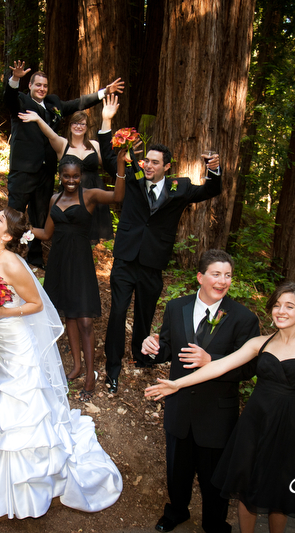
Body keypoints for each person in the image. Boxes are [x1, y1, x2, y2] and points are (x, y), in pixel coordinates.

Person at [145, 276, 295, 533]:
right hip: (253, 424)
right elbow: (219, 366)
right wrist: (178, 384)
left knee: (278, 490)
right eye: (277, 305)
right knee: (246, 486)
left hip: (287, 428)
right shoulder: (259, 344)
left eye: (289, 306)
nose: (281, 311)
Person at [0, 207, 123, 519]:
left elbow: (36, 304)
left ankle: (26, 484)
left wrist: (1, 312)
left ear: (9, 235)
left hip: (15, 343)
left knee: (19, 406)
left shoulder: (12, 264)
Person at [140, 250, 260, 533]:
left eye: (228, 275)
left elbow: (249, 368)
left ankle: (215, 523)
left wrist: (212, 360)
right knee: (177, 470)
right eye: (216, 274)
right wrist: (152, 348)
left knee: (214, 477)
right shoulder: (176, 307)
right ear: (200, 277)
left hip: (216, 413)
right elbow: (168, 348)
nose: (223, 281)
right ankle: (177, 511)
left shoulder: (244, 318)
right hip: (179, 405)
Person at [103, 144, 221, 394]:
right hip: (125, 260)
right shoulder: (133, 176)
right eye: (146, 160)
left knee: (144, 315)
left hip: (153, 263)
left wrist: (214, 169)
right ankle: (112, 369)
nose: (148, 165)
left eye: (155, 162)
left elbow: (212, 189)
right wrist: (112, 134)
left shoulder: (180, 188)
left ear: (167, 167)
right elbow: (109, 159)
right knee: (117, 313)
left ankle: (140, 356)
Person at [4, 60, 124, 267]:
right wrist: (15, 78)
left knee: (40, 213)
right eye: (37, 85)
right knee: (15, 210)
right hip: (24, 169)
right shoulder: (20, 101)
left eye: (45, 86)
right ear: (30, 86)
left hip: (47, 170)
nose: (42, 89)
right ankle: (7, 250)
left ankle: (34, 257)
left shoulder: (54, 104)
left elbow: (79, 103)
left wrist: (105, 92)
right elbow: (9, 98)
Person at [31, 155, 126, 399]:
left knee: (84, 320)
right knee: (68, 315)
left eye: (75, 176)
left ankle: (91, 375)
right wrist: (24, 228)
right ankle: (77, 366)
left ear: (80, 175)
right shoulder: (55, 198)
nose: (71, 180)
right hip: (59, 263)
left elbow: (117, 197)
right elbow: (47, 233)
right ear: (60, 176)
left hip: (81, 263)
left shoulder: (90, 195)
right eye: (66, 176)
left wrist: (120, 165)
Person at [18, 94, 121, 242]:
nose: (79, 126)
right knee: (67, 233)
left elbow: (111, 162)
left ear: (86, 127)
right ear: (70, 125)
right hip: (69, 196)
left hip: (91, 196)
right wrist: (38, 119)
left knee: (87, 237)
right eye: (75, 123)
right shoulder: (62, 144)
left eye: (83, 124)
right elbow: (50, 134)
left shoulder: (95, 145)